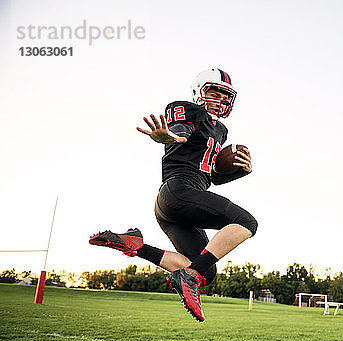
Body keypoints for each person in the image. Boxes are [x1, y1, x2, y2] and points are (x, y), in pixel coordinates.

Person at [89, 68, 257, 322]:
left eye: (225, 95)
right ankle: (189, 277)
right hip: (178, 191)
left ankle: (136, 245)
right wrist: (168, 136)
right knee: (247, 222)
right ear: (199, 91)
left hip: (177, 205)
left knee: (206, 272)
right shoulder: (186, 110)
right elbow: (181, 131)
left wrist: (243, 171)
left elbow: (211, 176)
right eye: (215, 91)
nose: (220, 99)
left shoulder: (220, 131)